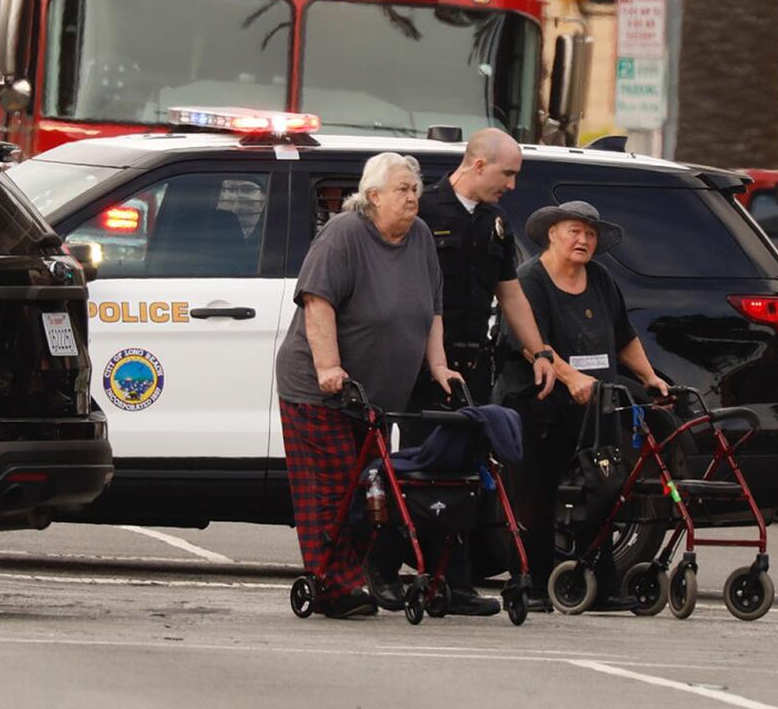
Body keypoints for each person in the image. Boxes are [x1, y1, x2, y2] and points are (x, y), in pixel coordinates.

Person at [274, 152, 453, 619]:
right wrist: (329, 368)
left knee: (370, 492)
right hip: (320, 392)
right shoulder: (344, 234)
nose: (413, 197)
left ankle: (354, 577)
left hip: (375, 399)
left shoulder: (419, 238)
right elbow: (317, 302)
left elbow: (432, 309)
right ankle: (335, 586)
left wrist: (438, 365)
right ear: (373, 196)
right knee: (331, 487)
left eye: (415, 189)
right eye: (402, 190)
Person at [403, 127, 557, 617]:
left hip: (473, 365)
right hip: (423, 364)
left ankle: (457, 582)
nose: (512, 185)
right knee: (420, 469)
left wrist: (540, 353)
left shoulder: (495, 223)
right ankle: (390, 569)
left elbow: (511, 294)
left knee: (468, 474)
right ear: (477, 165)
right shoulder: (423, 212)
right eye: (507, 174)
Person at [496, 200, 669, 606]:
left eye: (590, 234)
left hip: (595, 408)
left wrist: (649, 376)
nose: (583, 240)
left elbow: (624, 337)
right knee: (537, 495)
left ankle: (602, 584)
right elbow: (529, 343)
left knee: (602, 489)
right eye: (574, 230)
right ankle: (534, 584)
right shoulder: (530, 280)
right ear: (552, 233)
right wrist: (571, 378)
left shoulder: (601, 279)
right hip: (539, 405)